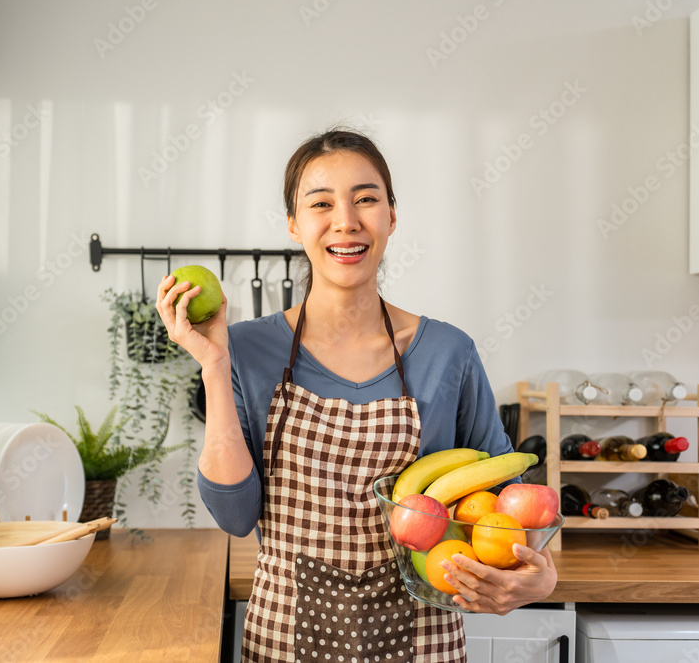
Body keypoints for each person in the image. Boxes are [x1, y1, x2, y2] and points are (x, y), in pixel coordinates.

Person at [156, 129, 557, 662]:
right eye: (321, 203)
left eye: (366, 198)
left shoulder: (448, 352)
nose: (345, 220)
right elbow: (235, 516)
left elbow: (508, 508)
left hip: (425, 642)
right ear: (295, 226)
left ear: (392, 216)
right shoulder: (243, 348)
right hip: (284, 641)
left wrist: (537, 578)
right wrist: (213, 362)